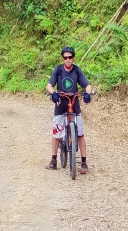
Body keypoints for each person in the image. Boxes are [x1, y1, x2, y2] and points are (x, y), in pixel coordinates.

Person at [45, 46, 92, 174]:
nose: (68, 60)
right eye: (65, 58)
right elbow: (49, 85)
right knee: (56, 132)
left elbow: (87, 85)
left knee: (80, 134)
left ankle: (83, 162)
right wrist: (53, 93)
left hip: (74, 103)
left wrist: (88, 93)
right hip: (61, 103)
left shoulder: (77, 71)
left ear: (73, 58)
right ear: (63, 58)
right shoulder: (58, 70)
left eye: (70, 57)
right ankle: (54, 160)